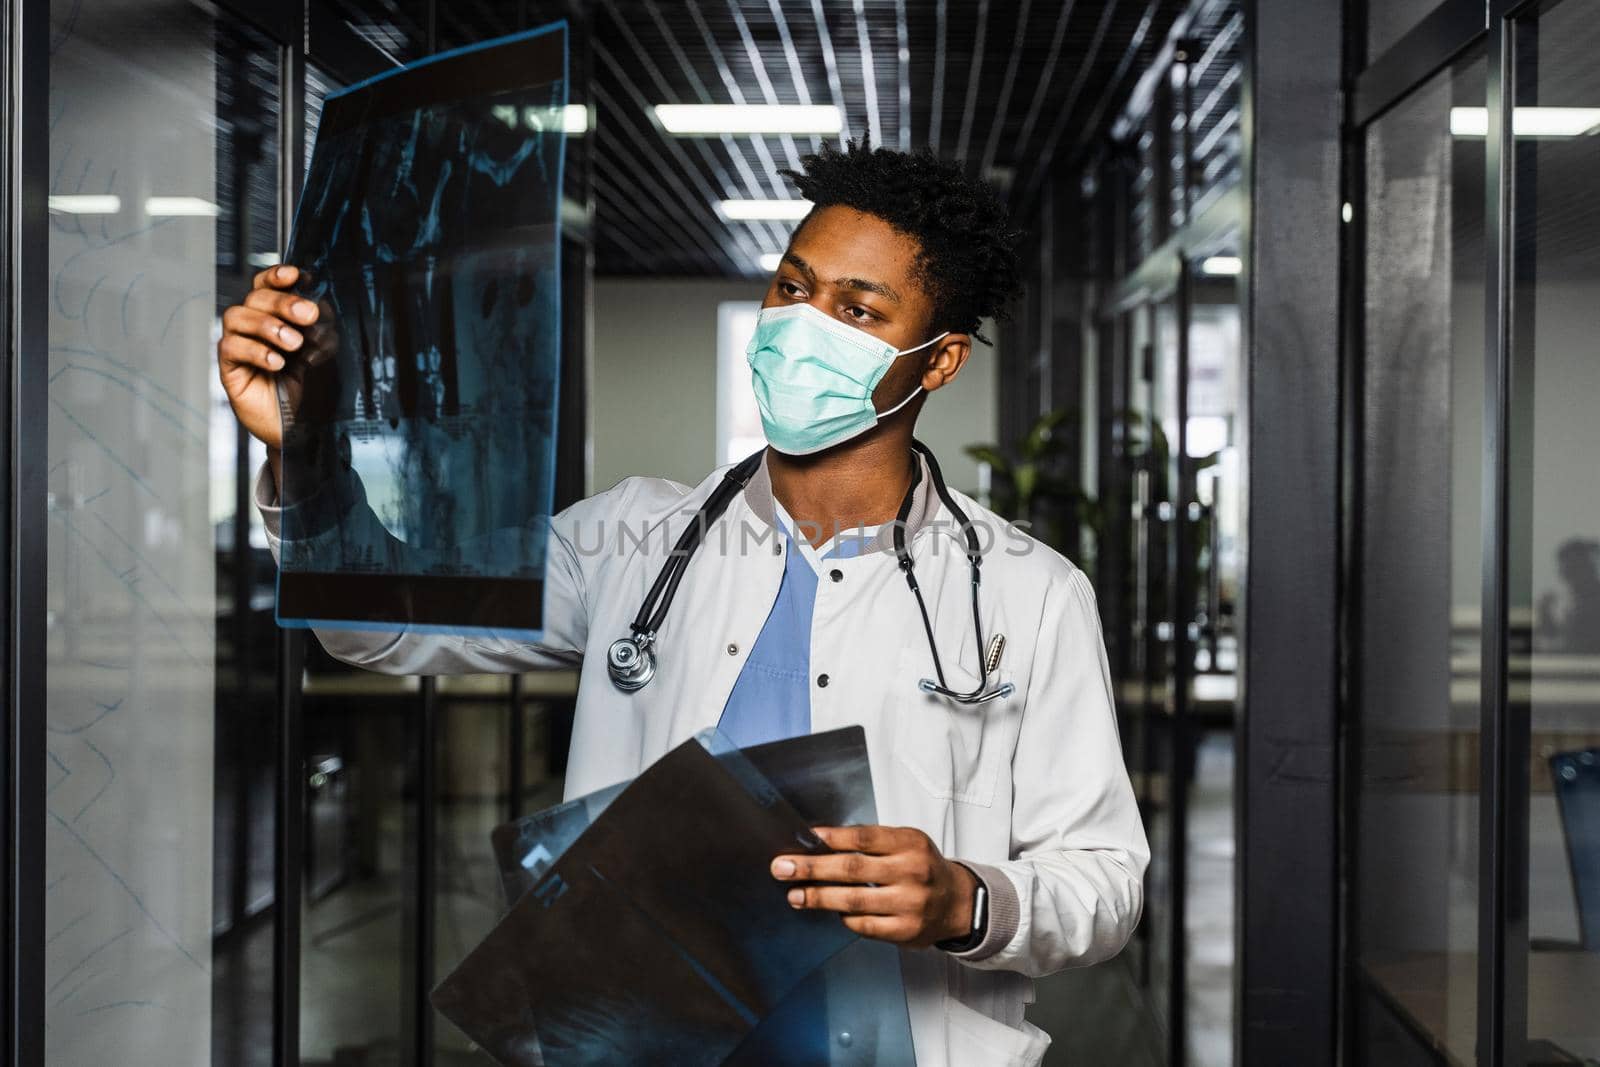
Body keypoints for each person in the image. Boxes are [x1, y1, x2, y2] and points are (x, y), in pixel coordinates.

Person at [218, 142, 1147, 1066]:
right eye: (794, 288)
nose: (804, 324)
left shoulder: (1031, 592)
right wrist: (306, 455)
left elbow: (1104, 882)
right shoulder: (630, 538)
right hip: (632, 1038)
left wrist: (964, 900)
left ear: (936, 361)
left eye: (857, 309)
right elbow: (380, 627)